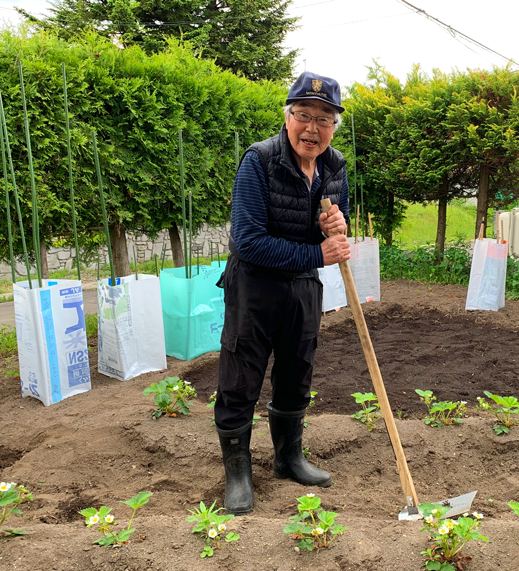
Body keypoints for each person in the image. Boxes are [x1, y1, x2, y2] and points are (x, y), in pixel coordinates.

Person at [213, 71, 351, 515]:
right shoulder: (259, 160)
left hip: (303, 286)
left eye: (324, 119)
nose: (312, 128)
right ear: (288, 117)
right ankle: (238, 473)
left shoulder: (335, 166)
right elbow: (248, 241)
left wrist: (336, 225)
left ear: (333, 126)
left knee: (297, 374)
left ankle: (288, 459)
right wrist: (318, 252)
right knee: (240, 379)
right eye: (304, 115)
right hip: (255, 286)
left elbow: (338, 219)